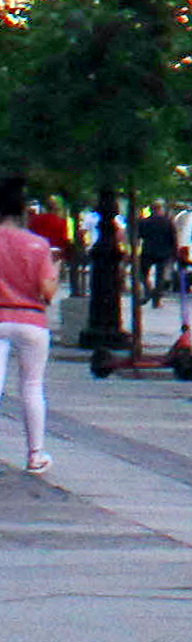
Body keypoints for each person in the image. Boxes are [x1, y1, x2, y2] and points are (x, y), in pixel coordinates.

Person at [0, 174, 54, 475]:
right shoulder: (37, 245)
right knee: (32, 386)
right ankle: (35, 455)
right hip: (31, 320)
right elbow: (47, 291)